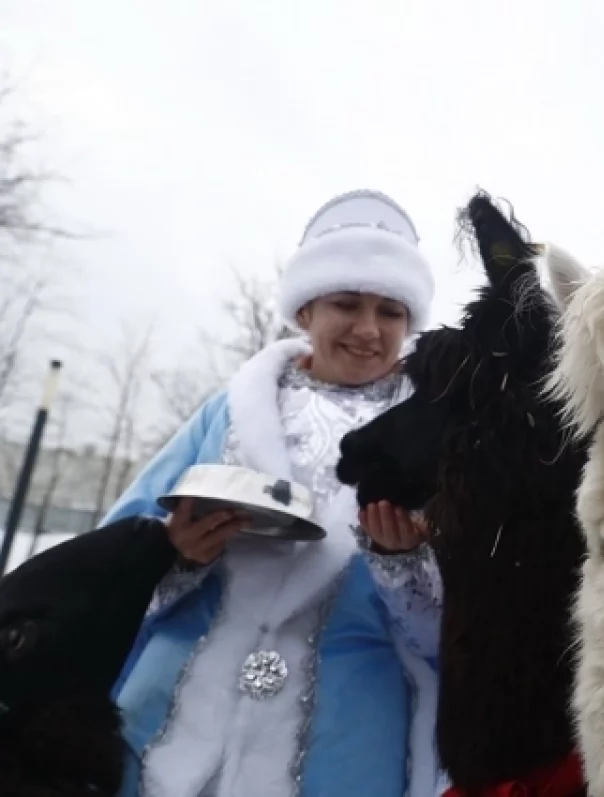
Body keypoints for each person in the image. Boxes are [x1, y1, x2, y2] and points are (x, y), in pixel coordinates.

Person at [102, 189, 443, 797]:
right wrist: (175, 555)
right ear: (305, 310)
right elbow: (113, 561)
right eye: (347, 303)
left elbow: (455, 632)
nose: (368, 329)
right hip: (167, 726)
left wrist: (403, 566)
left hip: (346, 746)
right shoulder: (228, 413)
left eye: (390, 311)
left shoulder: (434, 441)